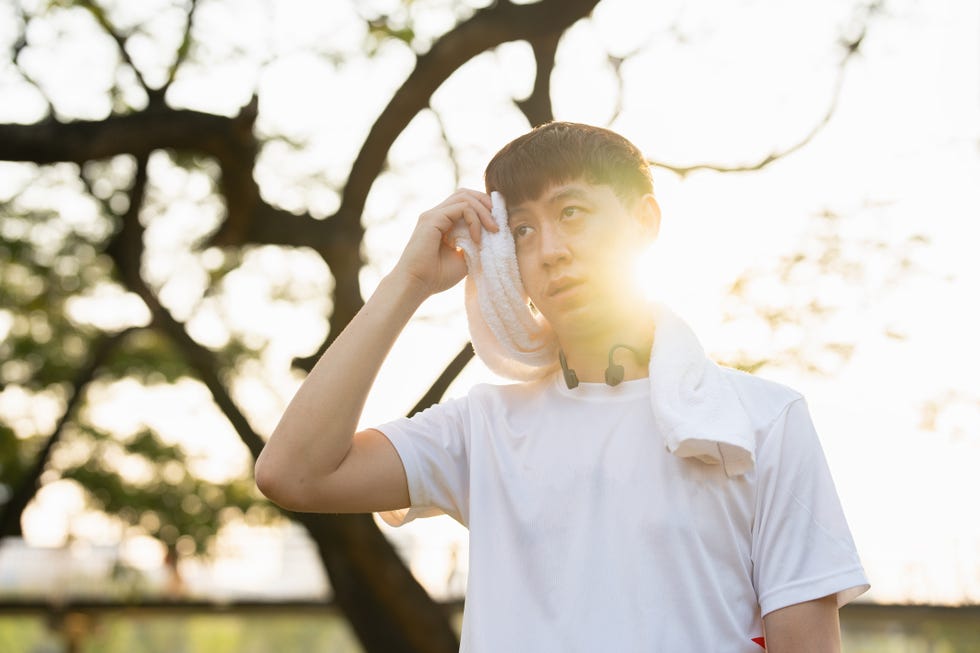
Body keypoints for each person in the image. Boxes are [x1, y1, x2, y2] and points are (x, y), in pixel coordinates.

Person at [255, 122, 869, 652]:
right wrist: (408, 280)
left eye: (571, 213)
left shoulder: (761, 419)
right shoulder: (484, 427)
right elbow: (294, 473)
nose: (549, 250)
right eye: (521, 230)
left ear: (643, 222)